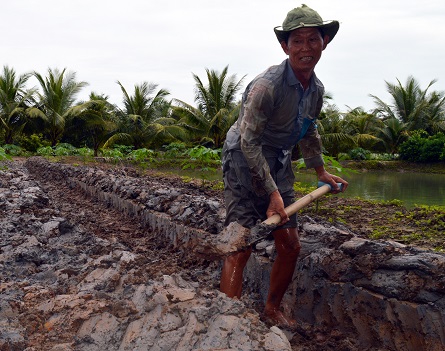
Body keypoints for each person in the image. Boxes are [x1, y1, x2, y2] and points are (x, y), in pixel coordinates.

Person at [219, 4, 349, 328]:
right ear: (285, 46)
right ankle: (225, 322)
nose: (306, 48)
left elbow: (309, 129)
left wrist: (320, 171)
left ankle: (271, 309)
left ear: (325, 42)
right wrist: (272, 193)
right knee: (241, 242)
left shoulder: (316, 90)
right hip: (242, 157)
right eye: (298, 41)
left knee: (290, 244)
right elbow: (249, 143)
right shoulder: (268, 86)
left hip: (277, 161)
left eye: (313, 40)